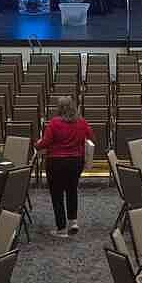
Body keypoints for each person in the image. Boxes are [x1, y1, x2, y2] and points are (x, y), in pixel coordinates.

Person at [35, 96, 93, 238]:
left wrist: (36, 145)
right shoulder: (81, 122)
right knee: (72, 190)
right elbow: (91, 136)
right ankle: (73, 222)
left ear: (59, 109)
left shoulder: (54, 123)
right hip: (76, 162)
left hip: (56, 163)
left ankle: (61, 229)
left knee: (57, 195)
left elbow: (45, 143)